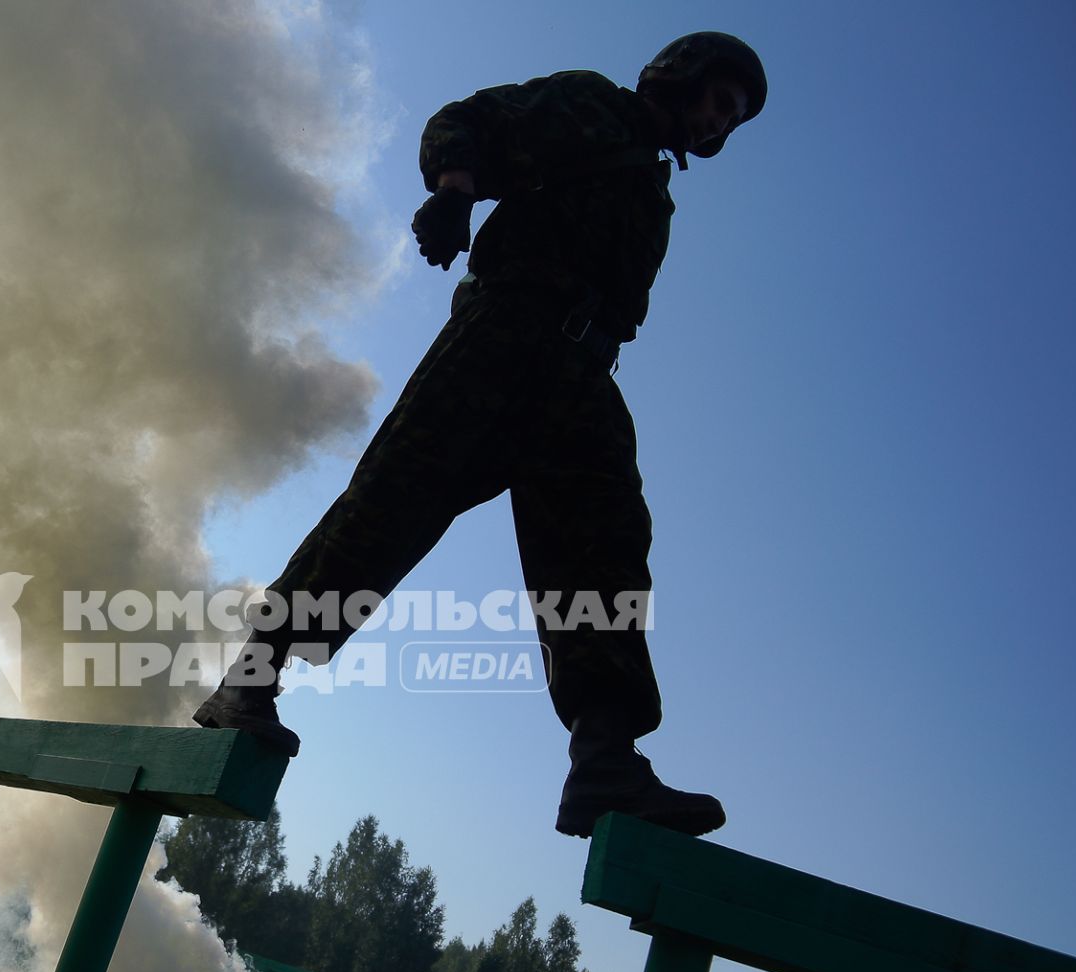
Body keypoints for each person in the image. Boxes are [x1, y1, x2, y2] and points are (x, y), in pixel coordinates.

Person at [193, 33, 766, 838]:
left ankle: (605, 758)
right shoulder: (593, 105)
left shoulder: (654, 194)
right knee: (391, 504)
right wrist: (456, 192)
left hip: (582, 377)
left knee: (603, 556)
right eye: (715, 99)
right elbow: (468, 119)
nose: (717, 122)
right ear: (675, 75)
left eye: (732, 119)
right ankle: (252, 678)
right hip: (505, 335)